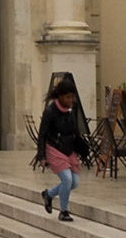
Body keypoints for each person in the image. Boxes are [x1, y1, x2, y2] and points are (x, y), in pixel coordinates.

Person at [37, 73, 91, 222]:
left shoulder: (72, 109)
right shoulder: (50, 112)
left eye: (72, 97)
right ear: (60, 96)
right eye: (68, 97)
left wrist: (83, 147)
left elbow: (75, 130)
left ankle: (48, 194)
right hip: (54, 148)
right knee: (66, 180)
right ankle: (64, 211)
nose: (70, 100)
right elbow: (42, 134)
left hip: (69, 148)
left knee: (74, 182)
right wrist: (41, 156)